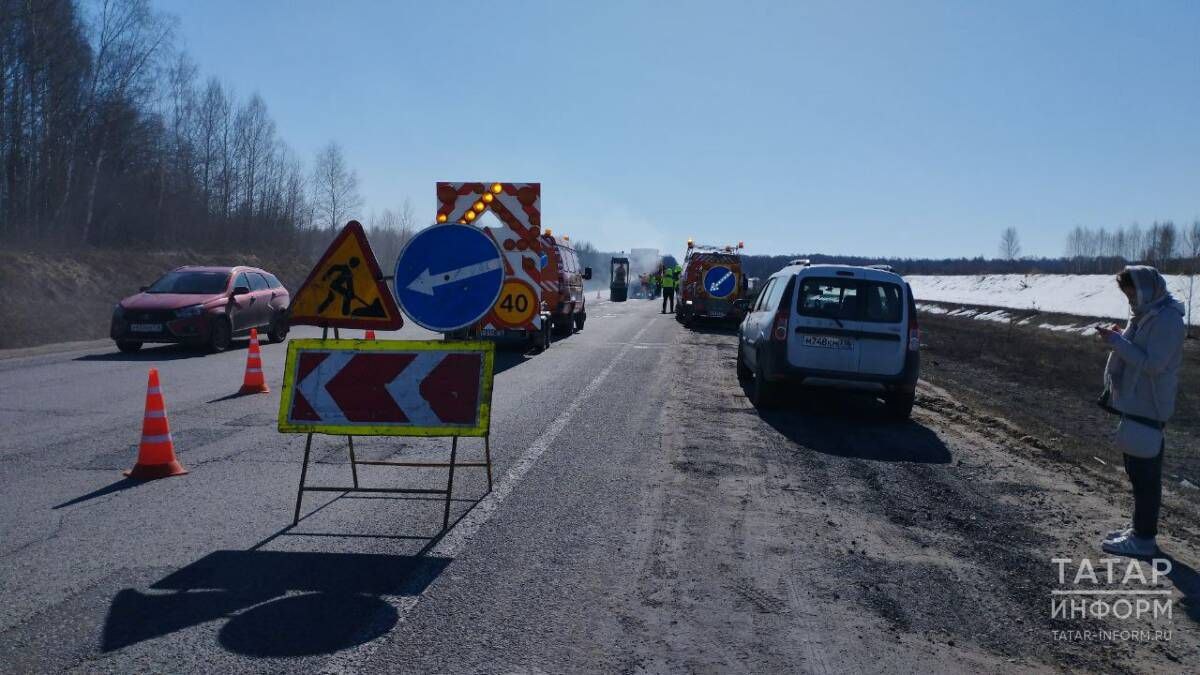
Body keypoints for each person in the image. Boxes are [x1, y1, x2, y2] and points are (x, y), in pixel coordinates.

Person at [1095, 266, 1185, 557]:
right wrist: (1120, 337)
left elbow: (1154, 365)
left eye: (1133, 294)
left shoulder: (1168, 319)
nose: (1131, 301)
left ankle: (1144, 538)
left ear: (1147, 289)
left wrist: (1117, 342)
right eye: (1127, 295)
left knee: (1146, 476)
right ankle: (1139, 529)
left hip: (1151, 403)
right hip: (1137, 401)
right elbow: (1138, 349)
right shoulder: (1146, 314)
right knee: (1137, 472)